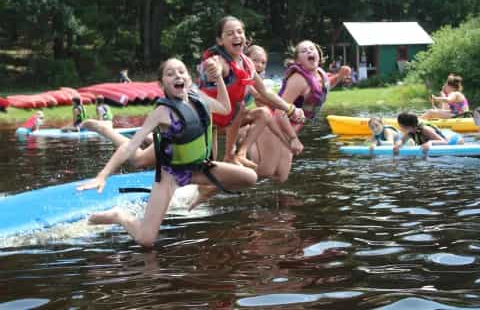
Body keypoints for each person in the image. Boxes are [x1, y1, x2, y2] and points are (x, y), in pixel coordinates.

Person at [77, 58, 257, 247]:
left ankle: (203, 191)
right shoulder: (162, 112)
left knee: (250, 177)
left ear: (189, 78)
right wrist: (102, 176)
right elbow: (130, 146)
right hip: (170, 174)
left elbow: (225, 108)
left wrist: (219, 78)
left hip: (198, 168)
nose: (177, 75)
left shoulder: (200, 98)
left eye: (181, 71)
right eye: (170, 74)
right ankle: (118, 215)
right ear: (162, 84)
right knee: (146, 240)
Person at [199, 16, 304, 169]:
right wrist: (213, 67)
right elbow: (216, 65)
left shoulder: (247, 64)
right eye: (230, 33)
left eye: (239, 32)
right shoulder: (221, 61)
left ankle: (235, 155)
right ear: (220, 41)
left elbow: (265, 91)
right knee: (208, 167)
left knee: (263, 113)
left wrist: (290, 108)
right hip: (208, 122)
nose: (236, 36)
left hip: (229, 121)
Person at [250, 40, 351, 182]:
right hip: (273, 125)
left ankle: (267, 199)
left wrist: (340, 76)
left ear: (318, 54)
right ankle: (230, 175)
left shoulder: (319, 75)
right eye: (304, 51)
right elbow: (280, 112)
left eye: (312, 48)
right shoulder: (299, 79)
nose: (309, 51)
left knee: (281, 177)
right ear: (298, 61)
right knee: (266, 171)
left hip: (289, 129)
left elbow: (323, 88)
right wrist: (293, 139)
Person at [393, 112, 463, 153]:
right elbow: (402, 140)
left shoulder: (425, 129)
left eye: (401, 126)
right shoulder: (410, 131)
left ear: (406, 126)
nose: (400, 128)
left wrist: (430, 143)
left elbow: (445, 142)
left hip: (454, 140)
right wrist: (398, 144)